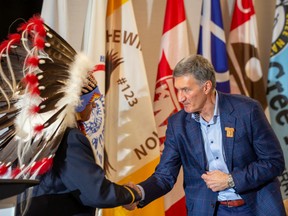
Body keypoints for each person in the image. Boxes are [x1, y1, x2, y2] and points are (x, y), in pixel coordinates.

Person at [0, 16, 140, 216]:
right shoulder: (70, 138)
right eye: (91, 103)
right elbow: (95, 193)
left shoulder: (36, 137)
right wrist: (131, 194)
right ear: (77, 102)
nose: (93, 109)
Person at [126, 54, 286, 216]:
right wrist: (137, 193)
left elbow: (274, 162)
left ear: (206, 87)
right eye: (178, 90)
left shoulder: (247, 110)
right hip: (209, 210)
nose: (180, 98)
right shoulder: (178, 124)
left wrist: (231, 180)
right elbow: (164, 176)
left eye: (186, 90)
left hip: (255, 207)